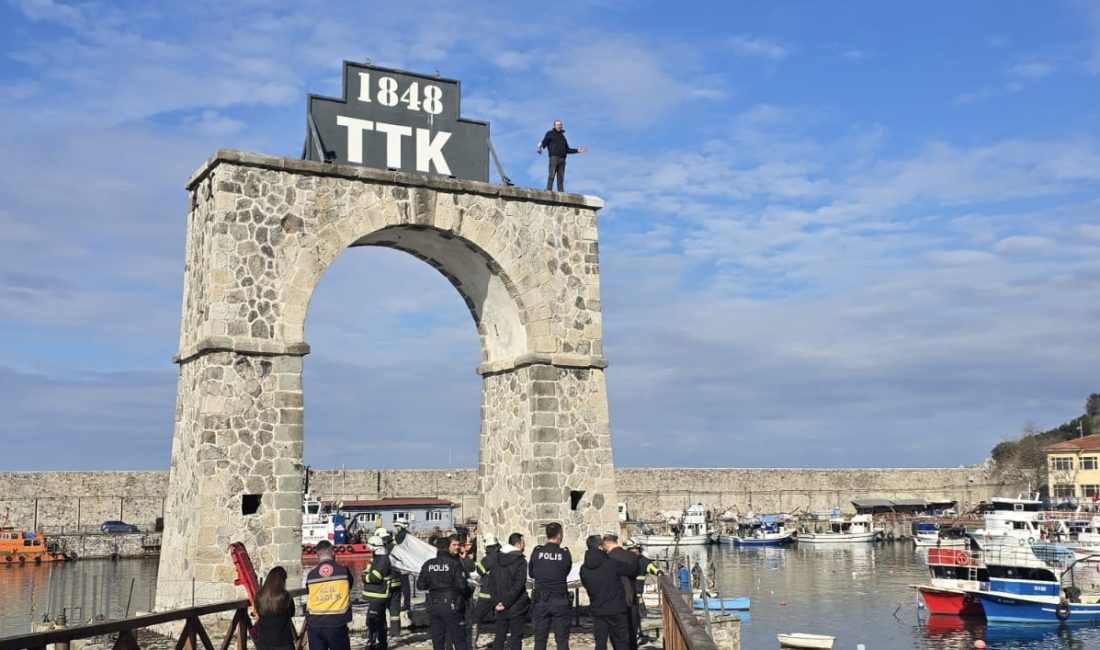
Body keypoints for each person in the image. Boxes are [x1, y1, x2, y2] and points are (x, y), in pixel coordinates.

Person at [580, 535, 634, 650]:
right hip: (616, 608)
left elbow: (586, 584)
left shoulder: (584, 569)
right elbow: (631, 569)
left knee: (600, 643)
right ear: (600, 547)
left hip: (597, 609)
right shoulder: (611, 563)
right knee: (621, 643)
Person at [417, 535, 472, 650]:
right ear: (448, 547)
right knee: (459, 639)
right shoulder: (454, 563)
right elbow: (462, 586)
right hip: (452, 604)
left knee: (438, 640)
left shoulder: (428, 564)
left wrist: (434, 583)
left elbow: (420, 586)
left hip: (434, 605)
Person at [529, 522, 573, 650]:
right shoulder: (564, 554)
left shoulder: (537, 552)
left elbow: (531, 573)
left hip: (541, 602)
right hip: (560, 601)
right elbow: (566, 571)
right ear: (559, 535)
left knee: (540, 641)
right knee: (562, 641)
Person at [305, 540, 354, 650]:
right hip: (336, 623)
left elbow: (309, 591)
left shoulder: (311, 575)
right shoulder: (344, 571)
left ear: (316, 555)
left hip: (314, 623)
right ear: (333, 553)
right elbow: (349, 586)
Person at [491, 533, 531, 650]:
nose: (525, 544)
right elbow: (519, 585)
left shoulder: (496, 559)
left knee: (499, 638)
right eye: (523, 542)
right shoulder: (521, 561)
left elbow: (491, 582)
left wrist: (497, 601)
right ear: (518, 544)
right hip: (516, 606)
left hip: (500, 606)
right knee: (515, 639)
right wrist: (505, 602)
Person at [602, 533, 639, 650]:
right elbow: (636, 573)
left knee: (617, 634)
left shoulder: (607, 558)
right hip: (631, 596)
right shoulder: (631, 556)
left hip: (614, 600)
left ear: (605, 544)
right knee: (632, 630)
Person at [536, 120, 587, 192]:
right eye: (558, 124)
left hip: (562, 159)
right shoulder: (550, 133)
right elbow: (544, 142)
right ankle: (548, 190)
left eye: (561, 124)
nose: (560, 126)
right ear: (554, 126)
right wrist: (540, 148)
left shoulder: (563, 137)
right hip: (554, 157)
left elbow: (567, 149)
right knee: (552, 175)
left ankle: (561, 193)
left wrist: (577, 150)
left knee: (560, 178)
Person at [361, 536, 392, 650]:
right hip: (377, 595)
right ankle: (381, 644)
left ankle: (373, 642)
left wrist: (365, 577)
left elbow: (375, 577)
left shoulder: (382, 560)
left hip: (379, 595)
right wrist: (366, 573)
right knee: (380, 620)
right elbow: (367, 570)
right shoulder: (377, 558)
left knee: (372, 619)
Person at [254, 566, 295, 650]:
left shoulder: (259, 596)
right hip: (283, 642)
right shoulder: (285, 596)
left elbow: (257, 612)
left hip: (263, 641)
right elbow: (292, 612)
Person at [473, 533, 503, 647]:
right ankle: (498, 643)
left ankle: (472, 643)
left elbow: (479, 570)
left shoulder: (489, 558)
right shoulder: (503, 556)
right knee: (501, 620)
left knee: (476, 618)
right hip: (501, 595)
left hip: (486, 594)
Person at [385, 520, 411, 637]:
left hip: (402, 563)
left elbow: (398, 548)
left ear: (401, 526)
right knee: (405, 584)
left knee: (404, 584)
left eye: (397, 526)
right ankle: (406, 602)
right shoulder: (406, 534)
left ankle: (406, 603)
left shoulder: (402, 535)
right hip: (403, 561)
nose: (396, 528)